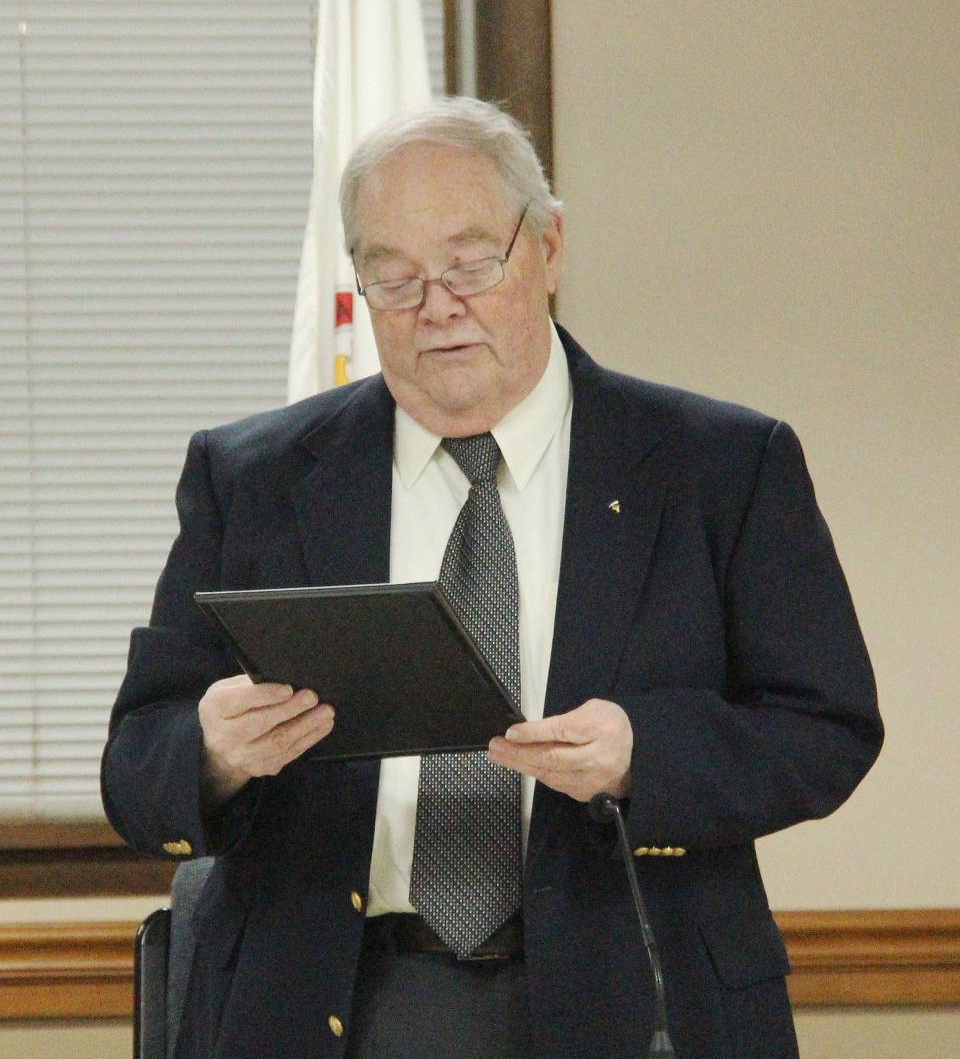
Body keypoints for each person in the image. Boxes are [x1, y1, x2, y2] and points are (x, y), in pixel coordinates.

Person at [102, 97, 882, 1058]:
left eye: (471, 264)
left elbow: (826, 726)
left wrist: (648, 751)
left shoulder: (718, 464)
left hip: (635, 992)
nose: (437, 307)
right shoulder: (255, 476)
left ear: (550, 247)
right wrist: (211, 755)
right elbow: (138, 766)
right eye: (393, 278)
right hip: (328, 1003)